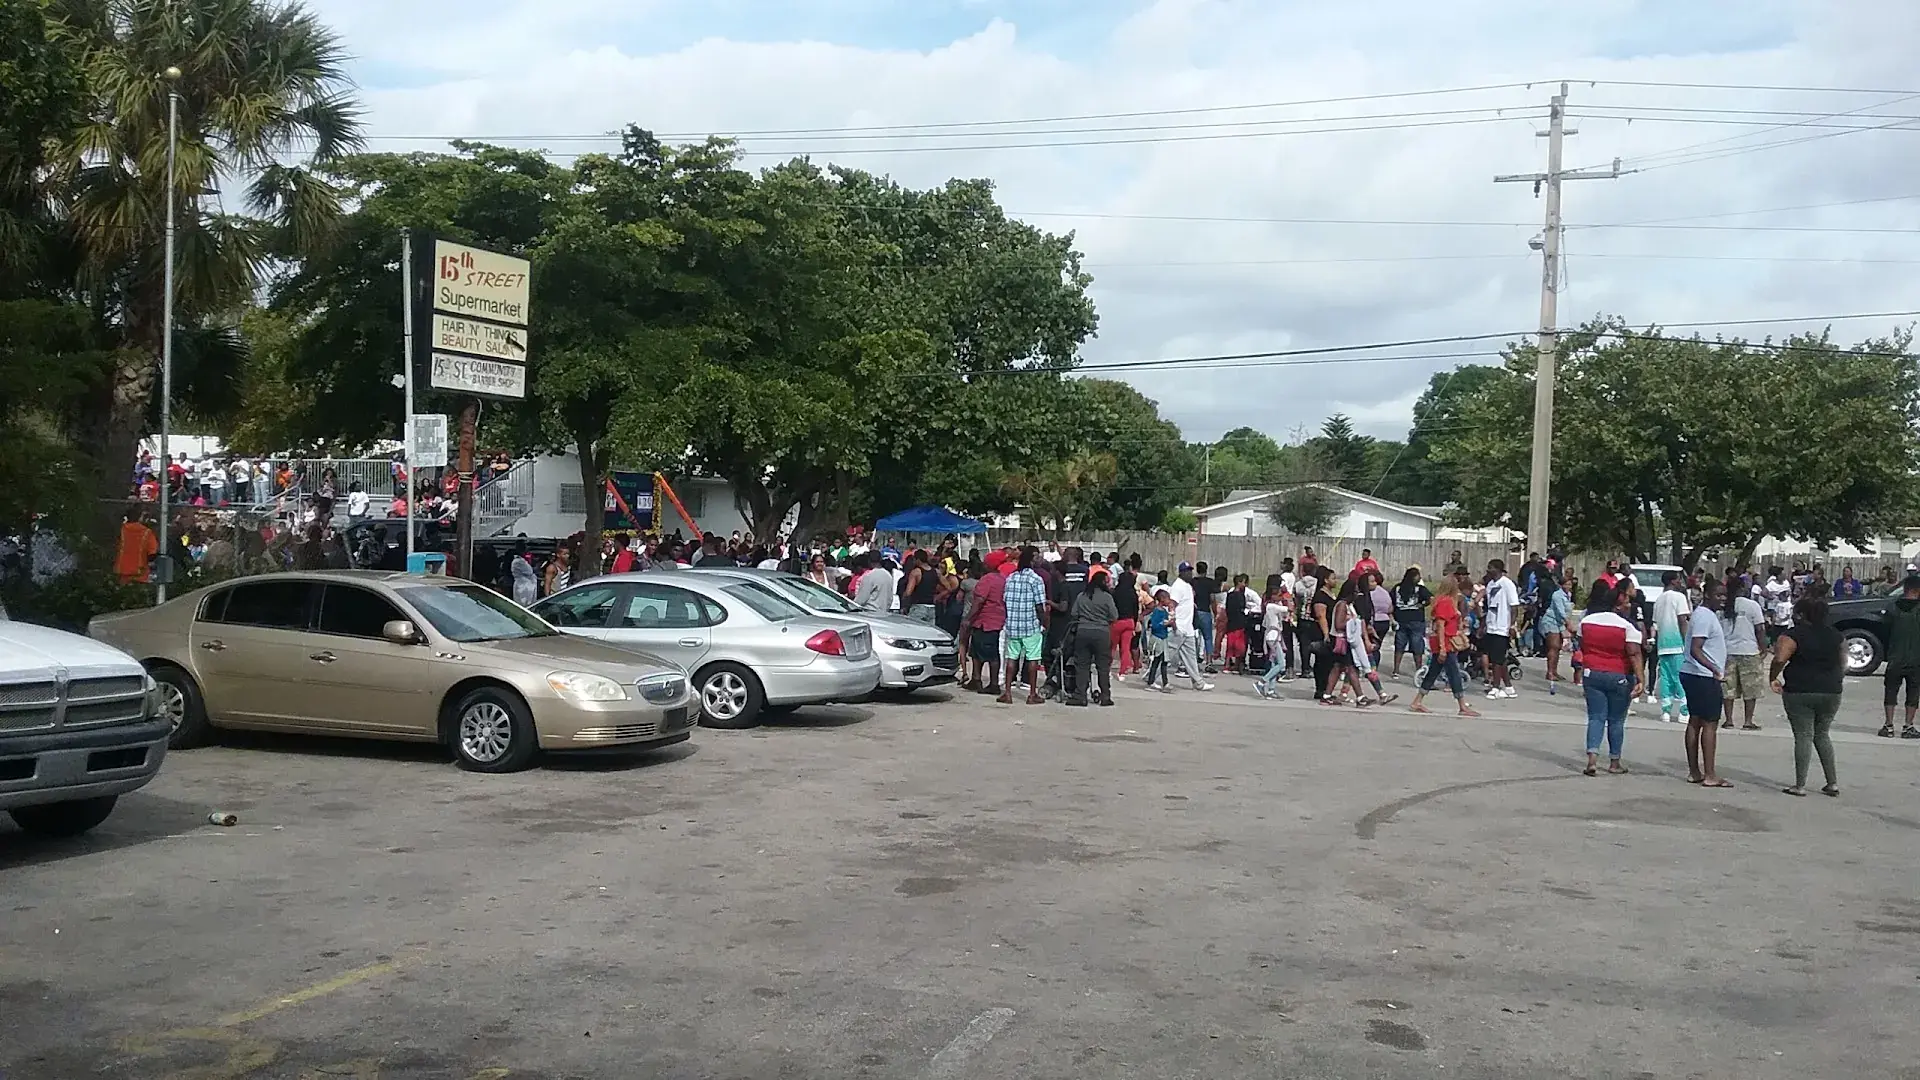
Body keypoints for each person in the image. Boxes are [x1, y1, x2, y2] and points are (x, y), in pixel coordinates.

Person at [1773, 595, 1842, 797]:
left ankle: (1800, 784)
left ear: (1801, 614)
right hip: (1831, 690)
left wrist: (1773, 676)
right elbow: (1843, 661)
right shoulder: (1836, 635)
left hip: (1800, 689)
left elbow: (1780, 658)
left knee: (1803, 735)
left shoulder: (1793, 635)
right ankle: (1832, 782)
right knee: (1822, 734)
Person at [1577, 584, 1642, 776]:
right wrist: (1641, 679)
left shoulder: (1586, 622)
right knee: (1616, 720)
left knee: (1596, 717)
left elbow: (1583, 644)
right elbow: (1634, 653)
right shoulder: (1626, 626)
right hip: (1619, 675)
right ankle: (1614, 762)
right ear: (1618, 605)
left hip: (1592, 673)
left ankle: (1592, 759)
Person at [1681, 579, 1731, 788]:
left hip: (1695, 674)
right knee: (1709, 723)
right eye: (1718, 595)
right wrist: (1715, 670)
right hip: (1702, 676)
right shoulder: (1704, 616)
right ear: (1707, 594)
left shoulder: (1705, 615)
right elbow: (1696, 648)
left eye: (1724, 595)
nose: (1722, 599)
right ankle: (1709, 774)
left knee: (1696, 720)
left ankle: (1695, 771)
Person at [1408, 575, 1478, 716]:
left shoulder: (1442, 601)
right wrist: (1442, 648)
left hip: (1444, 641)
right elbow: (1440, 626)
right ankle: (1462, 705)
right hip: (1445, 642)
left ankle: (1417, 701)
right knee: (1454, 673)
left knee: (1433, 672)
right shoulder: (1445, 602)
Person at [998, 548, 1050, 706]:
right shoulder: (1036, 579)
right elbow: (1040, 606)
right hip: (1030, 625)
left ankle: (1007, 693)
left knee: (1011, 658)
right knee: (1033, 659)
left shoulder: (1011, 578)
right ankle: (1032, 694)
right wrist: (1045, 623)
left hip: (1013, 625)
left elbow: (1005, 601)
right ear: (1031, 560)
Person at [1065, 568, 1120, 706]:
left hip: (1083, 632)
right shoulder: (1107, 597)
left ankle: (1080, 695)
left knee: (1082, 665)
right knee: (1102, 666)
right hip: (1102, 633)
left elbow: (1074, 613)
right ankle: (1105, 696)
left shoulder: (1082, 596)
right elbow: (1114, 616)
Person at [1719, 578, 1767, 732]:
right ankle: (1748, 721)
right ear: (1742, 588)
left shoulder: (1723, 607)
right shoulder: (1752, 606)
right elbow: (1760, 629)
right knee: (1750, 688)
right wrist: (1763, 647)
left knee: (1728, 688)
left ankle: (1728, 720)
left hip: (1727, 651)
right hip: (1749, 651)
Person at [1878, 573, 1920, 739]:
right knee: (1914, 692)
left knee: (1890, 691)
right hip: (1916, 658)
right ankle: (1908, 726)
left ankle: (1888, 725)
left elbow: (1884, 630)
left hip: (1895, 657)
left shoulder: (1892, 608)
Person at [963, 552, 1008, 696]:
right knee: (977, 651)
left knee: (988, 653)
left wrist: (969, 618)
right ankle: (976, 679)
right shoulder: (1003, 579)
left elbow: (979, 601)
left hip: (985, 620)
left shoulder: (987, 580)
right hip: (997, 619)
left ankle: (993, 684)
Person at [1164, 563, 1214, 691]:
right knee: (1165, 656)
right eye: (1187, 571)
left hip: (1188, 629)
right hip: (1179, 628)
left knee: (1191, 657)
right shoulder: (1178, 586)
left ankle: (1198, 682)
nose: (1190, 573)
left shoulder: (1187, 586)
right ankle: (1150, 677)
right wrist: (1172, 622)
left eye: (1190, 571)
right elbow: (1171, 605)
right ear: (1181, 573)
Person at [1652, 570, 1692, 724]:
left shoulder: (1659, 599)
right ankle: (1684, 711)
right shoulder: (1679, 597)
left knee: (1666, 678)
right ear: (1674, 581)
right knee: (1681, 677)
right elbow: (1683, 619)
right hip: (1678, 644)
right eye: (1679, 579)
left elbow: (1655, 623)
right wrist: (1686, 640)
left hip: (1663, 644)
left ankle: (1666, 711)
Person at [1481, 559, 1520, 698]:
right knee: (1497, 658)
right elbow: (1488, 606)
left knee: (1497, 660)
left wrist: (1512, 625)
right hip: (1492, 625)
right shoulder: (1490, 585)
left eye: (1490, 568)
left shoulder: (1507, 584)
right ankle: (1509, 687)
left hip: (1502, 627)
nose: (1488, 570)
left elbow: (1514, 607)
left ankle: (1496, 687)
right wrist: (1484, 625)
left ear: (1497, 569)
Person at [1388, 567, 1431, 680]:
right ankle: (1419, 669)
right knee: (1417, 645)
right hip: (1416, 620)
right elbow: (1430, 598)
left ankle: (1396, 670)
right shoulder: (1420, 589)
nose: (1420, 578)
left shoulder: (1397, 588)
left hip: (1401, 619)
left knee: (1399, 645)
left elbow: (1391, 602)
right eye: (1418, 576)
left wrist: (1392, 616)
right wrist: (1422, 605)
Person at [1306, 567, 1340, 704]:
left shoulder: (1331, 594)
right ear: (1325, 580)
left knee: (1329, 661)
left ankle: (1326, 689)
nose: (1335, 580)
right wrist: (1326, 634)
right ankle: (1321, 689)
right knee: (1322, 661)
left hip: (1331, 630)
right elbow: (1321, 616)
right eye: (1333, 578)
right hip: (1321, 631)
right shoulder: (1320, 596)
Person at [1253, 586, 1292, 698]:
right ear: (1273, 596)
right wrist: (1288, 599)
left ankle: (1271, 690)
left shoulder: (1274, 607)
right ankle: (1261, 682)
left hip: (1275, 637)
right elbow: (1288, 609)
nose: (1281, 597)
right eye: (1279, 595)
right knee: (1281, 664)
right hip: (1273, 637)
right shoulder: (1271, 606)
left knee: (1274, 665)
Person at [1538, 574, 1573, 685]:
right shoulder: (1557, 595)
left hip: (1560, 623)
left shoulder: (1568, 595)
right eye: (1566, 584)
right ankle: (1550, 672)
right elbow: (1560, 611)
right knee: (1553, 646)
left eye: (1570, 584)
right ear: (1561, 585)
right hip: (1551, 621)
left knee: (1558, 647)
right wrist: (1568, 623)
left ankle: (1555, 671)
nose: (1568, 586)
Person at [1112, 554, 1141, 680]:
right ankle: (1122, 672)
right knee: (1125, 648)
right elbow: (1136, 610)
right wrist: (1134, 623)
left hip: (1117, 621)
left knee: (1111, 647)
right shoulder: (1133, 593)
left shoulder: (1116, 592)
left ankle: (1107, 669)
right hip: (1129, 622)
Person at [113, 508, 158, 584]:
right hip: (140, 573)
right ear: (139, 518)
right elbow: (152, 553)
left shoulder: (122, 529)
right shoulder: (147, 532)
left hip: (122, 570)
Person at [1141, 587, 1173, 692]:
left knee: (1164, 661)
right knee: (1156, 661)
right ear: (1162, 599)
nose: (1169, 601)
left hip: (1163, 638)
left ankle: (1165, 682)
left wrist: (1170, 623)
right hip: (1157, 638)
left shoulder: (1164, 611)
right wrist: (1164, 624)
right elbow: (1154, 625)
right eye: (1168, 598)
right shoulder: (1157, 611)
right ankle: (1153, 682)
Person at [1221, 573, 1254, 673]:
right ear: (1239, 583)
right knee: (1239, 645)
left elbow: (1228, 608)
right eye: (1243, 583)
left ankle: (1227, 665)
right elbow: (1242, 608)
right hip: (1239, 623)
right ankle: (1236, 665)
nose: (1245, 585)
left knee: (1230, 645)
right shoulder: (1240, 596)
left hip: (1231, 622)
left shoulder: (1229, 595)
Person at [901, 549, 941, 624]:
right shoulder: (936, 572)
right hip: (931, 607)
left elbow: (908, 592)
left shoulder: (916, 572)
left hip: (918, 606)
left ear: (918, 560)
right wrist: (939, 596)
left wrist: (904, 601)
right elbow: (949, 587)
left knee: (915, 631)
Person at [1763, 566, 1794, 647]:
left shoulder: (1786, 582)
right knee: (1776, 627)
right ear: (1778, 575)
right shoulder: (1772, 584)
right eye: (1783, 574)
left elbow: (1789, 592)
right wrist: (1772, 597)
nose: (1785, 576)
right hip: (1776, 608)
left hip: (1787, 607)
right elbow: (1764, 593)